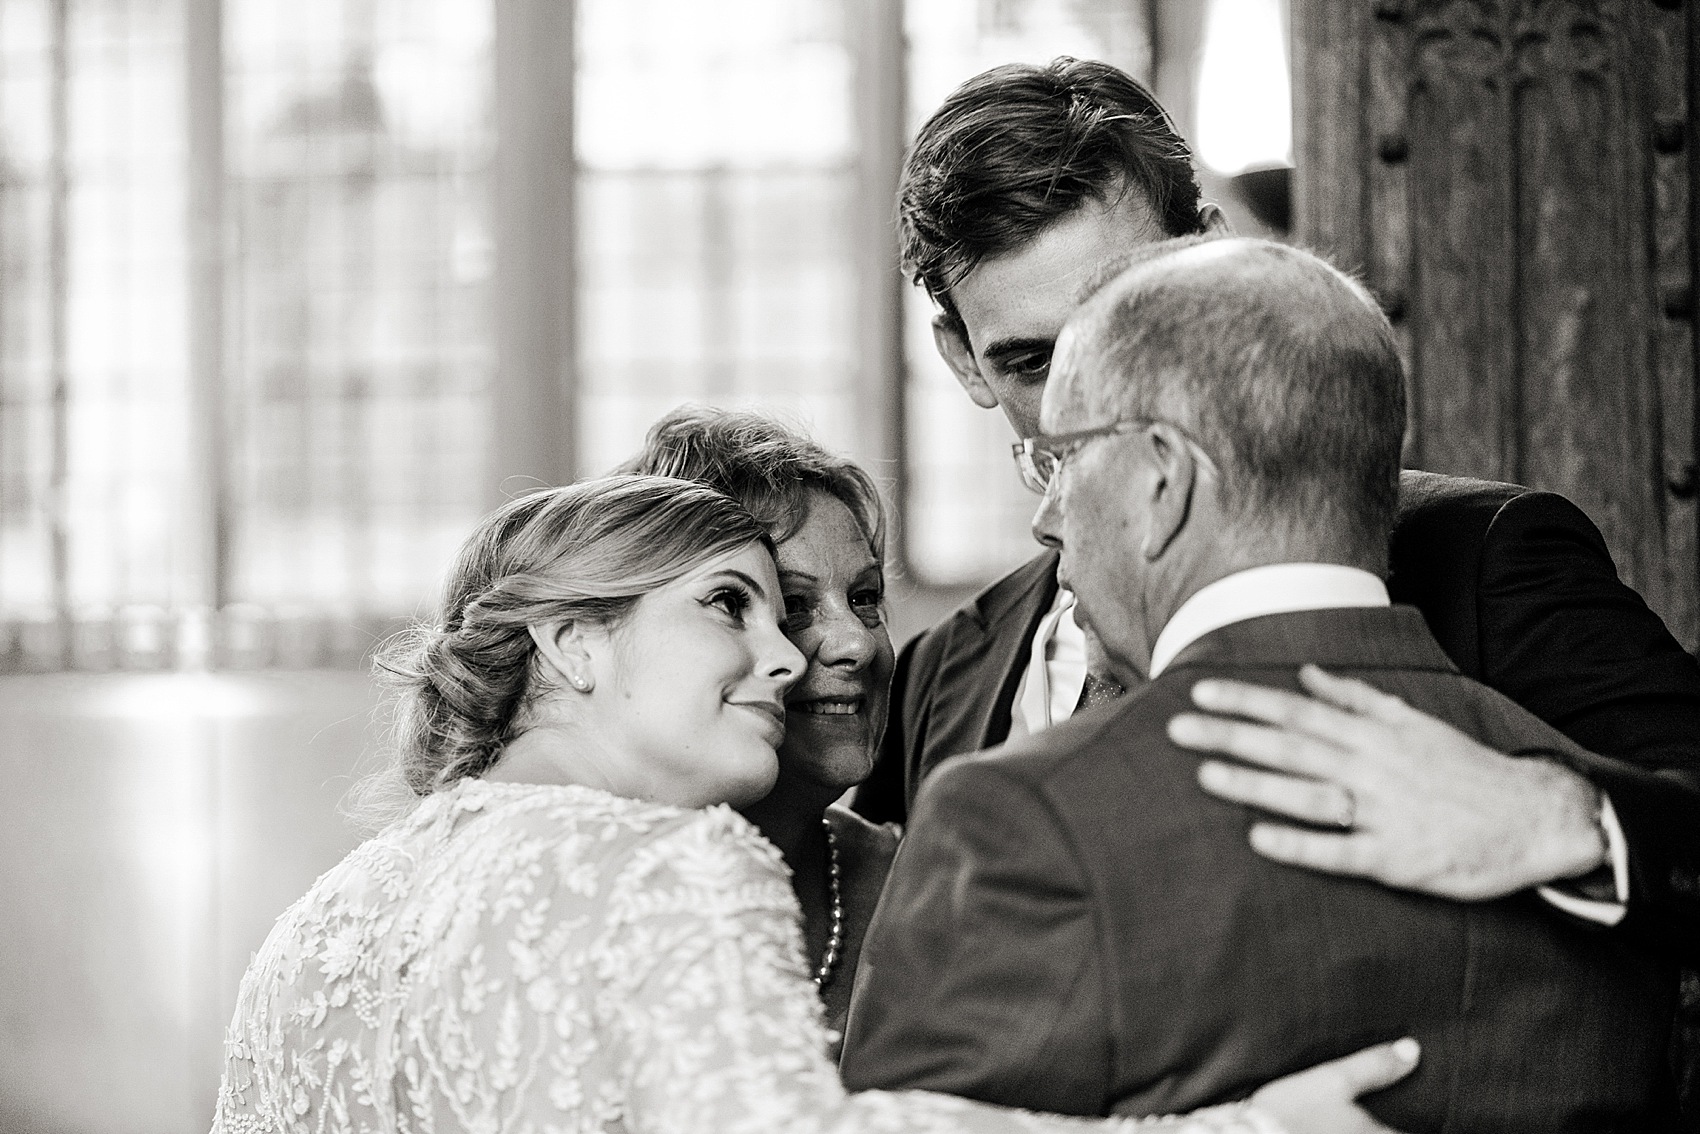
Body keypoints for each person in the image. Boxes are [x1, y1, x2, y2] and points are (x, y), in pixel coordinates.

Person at [211, 474, 1422, 1134]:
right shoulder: (670, 869)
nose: (788, 660)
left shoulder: (313, 932)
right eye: (726, 607)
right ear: (573, 646)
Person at [852, 57, 1700, 950]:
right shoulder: (942, 674)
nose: (1088, 387)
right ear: (960, 360)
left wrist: (1553, 816)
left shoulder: (1486, 558)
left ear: (1221, 252)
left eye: (1127, 312)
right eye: (1030, 359)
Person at [839, 238, 1680, 1128]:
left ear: (1161, 479)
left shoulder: (1019, 821)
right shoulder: (1582, 823)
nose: (1048, 517)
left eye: (1066, 459)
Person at [616, 406, 899, 1037]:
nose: (855, 642)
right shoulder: (601, 887)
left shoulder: (920, 882)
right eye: (792, 606)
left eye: (866, 597)